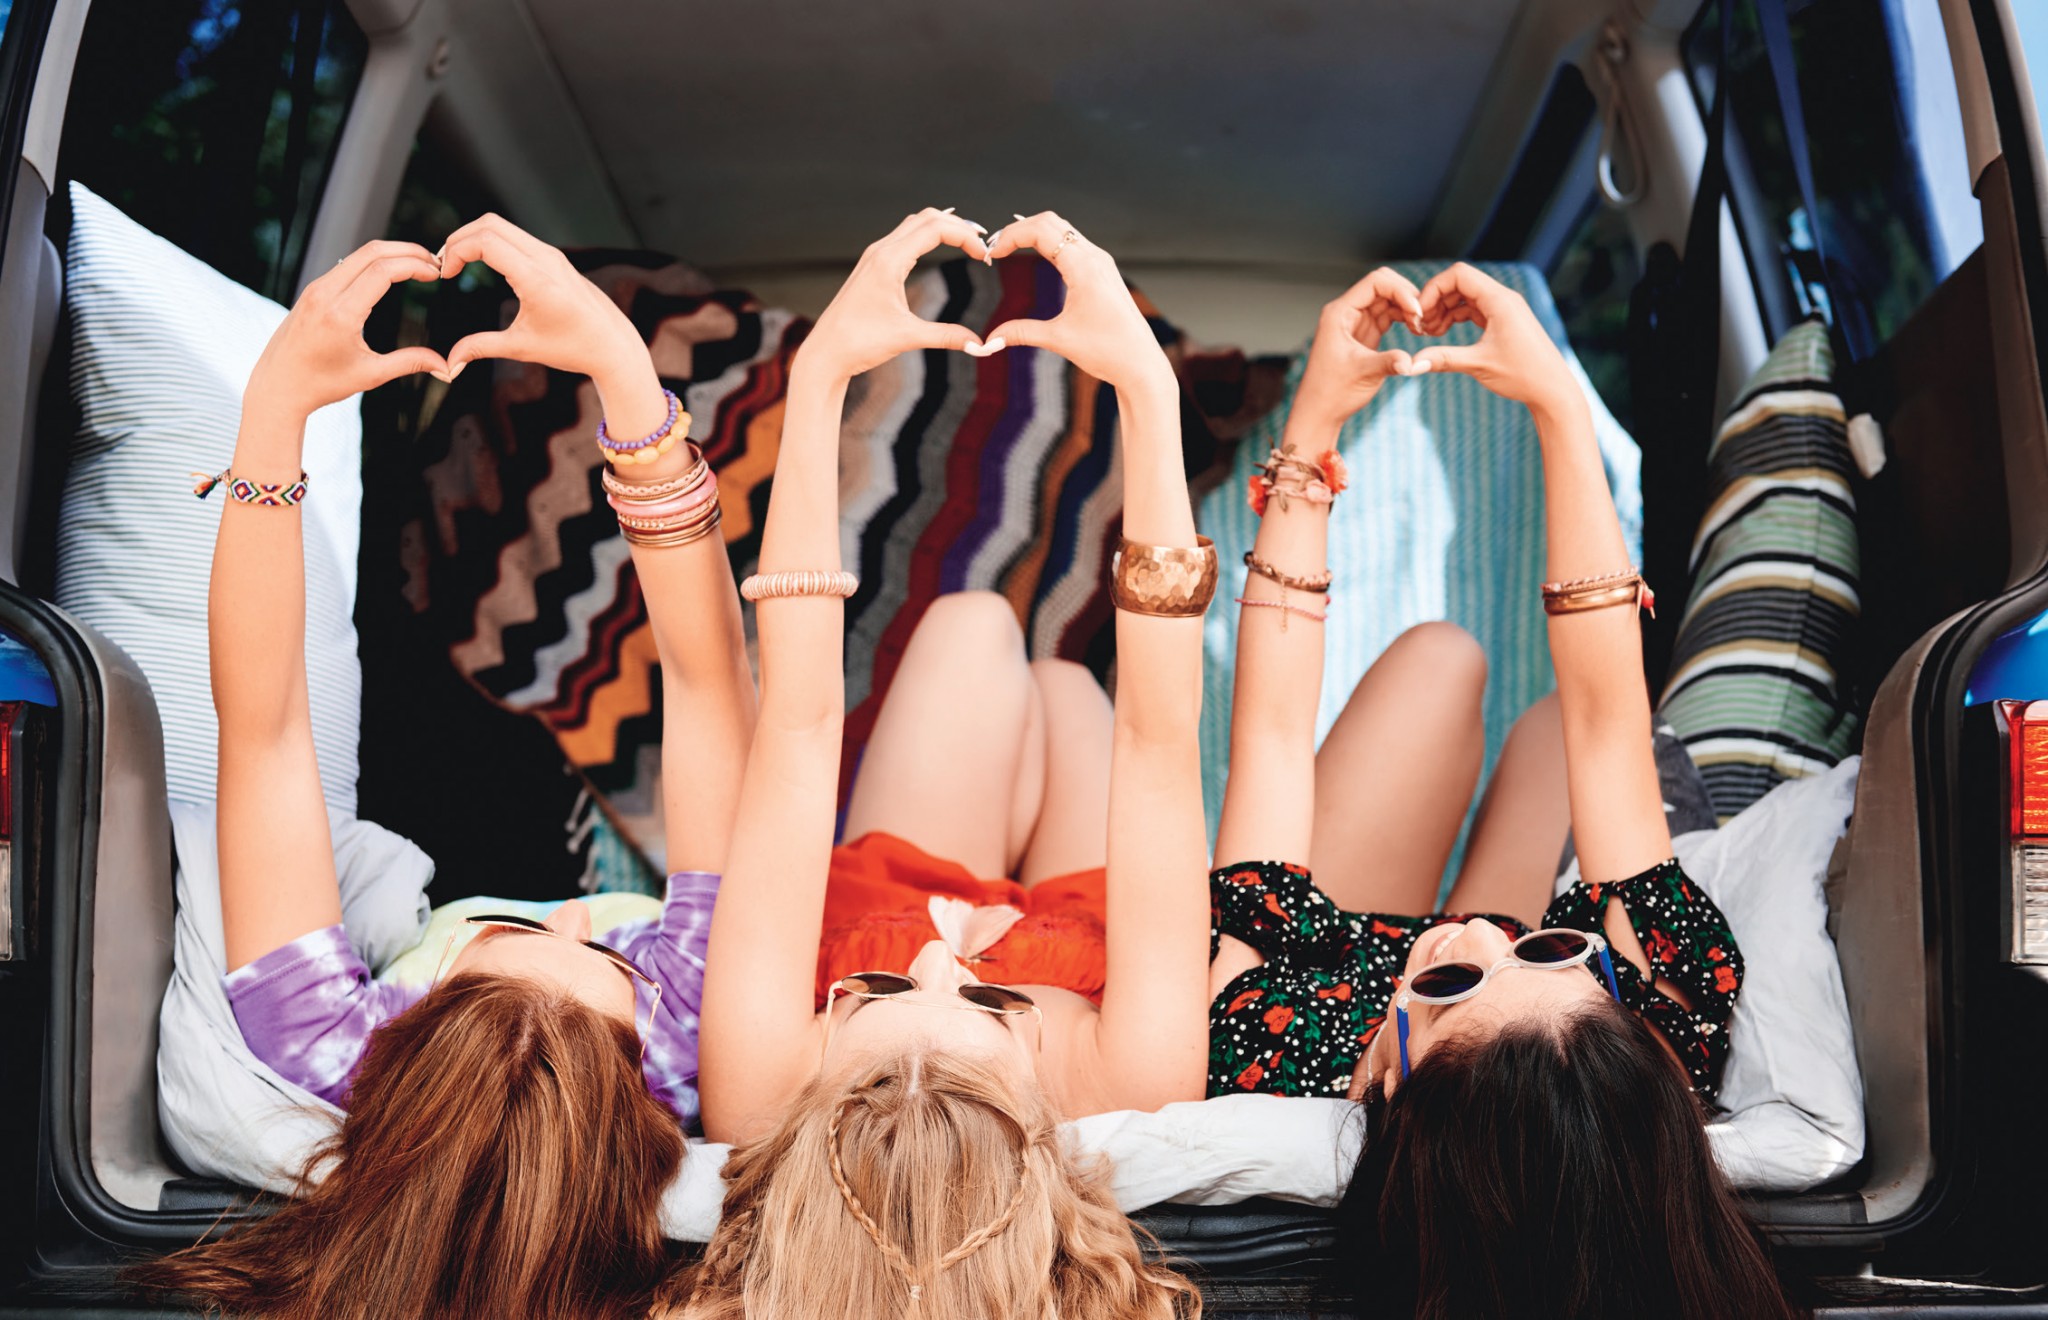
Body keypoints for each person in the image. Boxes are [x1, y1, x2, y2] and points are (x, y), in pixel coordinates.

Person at [138, 216, 756, 1320]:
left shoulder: (326, 1047)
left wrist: (274, 414)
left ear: (402, 1036)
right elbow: (709, 694)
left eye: (515, 941)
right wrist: (627, 380)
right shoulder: (695, 1028)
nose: (572, 920)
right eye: (601, 955)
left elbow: (266, 731)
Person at [1203, 264, 1799, 1318]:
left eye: (1450, 987)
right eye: (1549, 952)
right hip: (1490, 999)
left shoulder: (1265, 1043)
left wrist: (1310, 439)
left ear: (1391, 1087)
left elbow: (1269, 740)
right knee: (1562, 730)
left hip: (1337, 967)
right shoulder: (1654, 1031)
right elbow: (1604, 723)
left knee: (1436, 659)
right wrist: (1556, 404)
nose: (1478, 934)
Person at [673, 209, 1203, 1318]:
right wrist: (1147, 396)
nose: (936, 955)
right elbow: (1160, 747)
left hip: (895, 875)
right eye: (989, 1006)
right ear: (1044, 1139)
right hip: (1083, 921)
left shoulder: (760, 1092)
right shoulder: (1134, 1084)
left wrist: (820, 381)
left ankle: (1019, 705)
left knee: (974, 622)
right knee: (1072, 690)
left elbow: (799, 728)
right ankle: (1046, 706)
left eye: (873, 997)